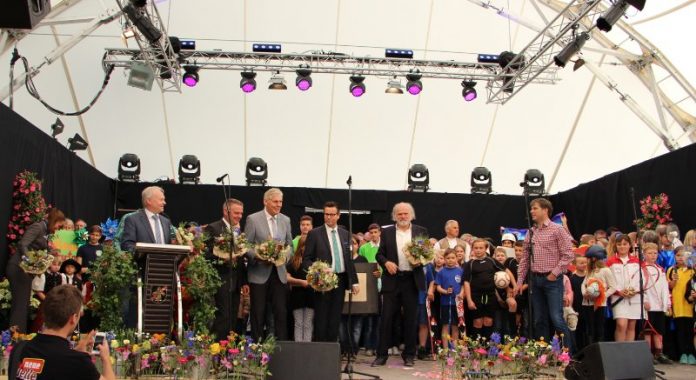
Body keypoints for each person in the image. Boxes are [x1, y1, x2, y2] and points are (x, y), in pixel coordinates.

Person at [9, 285, 115, 380]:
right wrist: (105, 358)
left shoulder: (19, 348)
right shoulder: (77, 362)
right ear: (74, 318)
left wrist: (75, 352)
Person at [514, 198, 575, 354]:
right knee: (539, 319)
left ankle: (567, 354)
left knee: (556, 317)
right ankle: (544, 354)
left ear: (545, 210)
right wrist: (520, 280)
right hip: (535, 279)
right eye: (531, 209)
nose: (531, 211)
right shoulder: (531, 231)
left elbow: (568, 254)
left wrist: (554, 274)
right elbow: (525, 258)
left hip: (552, 279)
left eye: (535, 208)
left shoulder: (557, 229)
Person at [372, 202, 428, 368]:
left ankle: (409, 355)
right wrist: (386, 262)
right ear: (394, 216)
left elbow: (425, 255)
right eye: (399, 214)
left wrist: (420, 261)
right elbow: (379, 255)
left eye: (405, 213)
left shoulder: (420, 231)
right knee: (386, 319)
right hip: (392, 280)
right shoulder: (387, 231)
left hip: (411, 280)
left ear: (411, 215)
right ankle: (381, 355)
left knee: (411, 320)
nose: (403, 216)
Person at [303, 201, 359, 343]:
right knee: (321, 317)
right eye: (326, 214)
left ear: (338, 215)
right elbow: (306, 259)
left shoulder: (345, 234)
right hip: (323, 281)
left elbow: (349, 260)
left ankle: (332, 349)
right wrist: (319, 270)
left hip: (340, 280)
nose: (328, 217)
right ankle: (320, 349)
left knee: (335, 317)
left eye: (332, 214)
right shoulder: (314, 234)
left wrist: (354, 281)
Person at [244, 188, 292, 341]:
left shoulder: (286, 220)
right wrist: (259, 256)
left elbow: (290, 245)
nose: (279, 205)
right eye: (275, 202)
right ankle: (257, 350)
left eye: (281, 202)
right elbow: (246, 245)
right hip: (259, 274)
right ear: (266, 201)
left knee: (281, 312)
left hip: (279, 274)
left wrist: (285, 257)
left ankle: (282, 348)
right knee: (258, 313)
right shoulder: (253, 219)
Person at [7, 208, 65, 332]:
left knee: (22, 305)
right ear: (53, 220)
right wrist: (30, 263)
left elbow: (36, 249)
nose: (57, 230)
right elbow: (23, 244)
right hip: (19, 268)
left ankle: (17, 337)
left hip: (25, 271)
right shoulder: (38, 227)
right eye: (58, 226)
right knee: (20, 306)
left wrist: (50, 253)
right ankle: (15, 339)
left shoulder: (45, 231)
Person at [204, 198, 249, 338]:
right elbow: (206, 256)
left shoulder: (239, 231)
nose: (239, 216)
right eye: (236, 213)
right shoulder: (213, 228)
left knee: (233, 318)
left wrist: (244, 282)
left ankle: (229, 352)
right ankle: (216, 350)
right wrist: (222, 257)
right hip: (221, 279)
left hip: (236, 282)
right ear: (225, 211)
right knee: (222, 316)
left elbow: (242, 259)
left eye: (241, 213)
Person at [117, 186, 174, 252]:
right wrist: (144, 253)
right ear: (149, 201)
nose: (164, 202)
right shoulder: (132, 220)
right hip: (143, 262)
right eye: (161, 199)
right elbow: (127, 245)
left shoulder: (166, 222)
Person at [641, 242, 673, 364]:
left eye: (655, 253)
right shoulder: (641, 269)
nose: (653, 255)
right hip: (648, 306)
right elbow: (640, 287)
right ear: (644, 254)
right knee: (648, 331)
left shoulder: (661, 269)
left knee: (659, 331)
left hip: (660, 306)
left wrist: (667, 303)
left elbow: (665, 288)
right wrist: (645, 301)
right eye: (650, 253)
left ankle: (659, 353)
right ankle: (648, 353)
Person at [607, 234, 642, 342]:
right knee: (621, 324)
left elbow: (641, 279)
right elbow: (608, 281)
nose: (622, 247)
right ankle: (620, 352)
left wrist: (635, 291)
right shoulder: (610, 261)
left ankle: (629, 354)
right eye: (619, 244)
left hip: (634, 298)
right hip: (618, 298)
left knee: (631, 326)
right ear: (615, 246)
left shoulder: (636, 261)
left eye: (625, 244)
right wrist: (618, 292)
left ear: (629, 245)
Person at [580, 245, 615, 348]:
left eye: (588, 259)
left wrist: (603, 296)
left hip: (599, 304)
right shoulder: (590, 271)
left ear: (594, 258)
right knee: (589, 327)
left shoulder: (605, 270)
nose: (587, 261)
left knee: (599, 327)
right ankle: (590, 348)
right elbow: (583, 284)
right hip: (587, 302)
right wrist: (584, 293)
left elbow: (613, 287)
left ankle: (600, 350)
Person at [666, 246, 695, 364]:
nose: (681, 258)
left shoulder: (692, 271)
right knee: (680, 331)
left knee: (690, 331)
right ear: (674, 257)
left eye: (683, 255)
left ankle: (691, 353)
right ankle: (683, 353)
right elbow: (670, 287)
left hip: (690, 306)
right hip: (678, 306)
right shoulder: (671, 270)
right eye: (678, 255)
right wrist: (673, 280)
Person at [464, 239, 498, 338]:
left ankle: (488, 349)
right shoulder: (470, 263)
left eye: (481, 248)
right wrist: (469, 300)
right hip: (475, 296)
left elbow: (506, 271)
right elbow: (466, 282)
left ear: (486, 249)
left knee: (488, 321)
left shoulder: (491, 261)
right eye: (476, 248)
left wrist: (510, 288)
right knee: (477, 321)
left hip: (490, 296)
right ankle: (476, 349)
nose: (478, 250)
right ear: (472, 249)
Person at [435, 248, 465, 349]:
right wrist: (445, 291)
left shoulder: (460, 271)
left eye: (453, 258)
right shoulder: (441, 272)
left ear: (456, 258)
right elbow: (438, 287)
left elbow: (463, 285)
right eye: (448, 258)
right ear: (444, 259)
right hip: (445, 303)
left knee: (455, 326)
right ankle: (445, 349)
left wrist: (461, 293)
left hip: (457, 304)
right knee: (445, 325)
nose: (450, 260)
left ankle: (454, 349)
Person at [286, 235, 313, 342]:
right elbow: (287, 277)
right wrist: (300, 282)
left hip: (311, 296)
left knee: (308, 323)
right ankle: (298, 348)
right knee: (298, 323)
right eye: (304, 246)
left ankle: (307, 347)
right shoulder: (293, 261)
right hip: (296, 296)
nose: (306, 248)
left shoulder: (315, 262)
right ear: (300, 247)